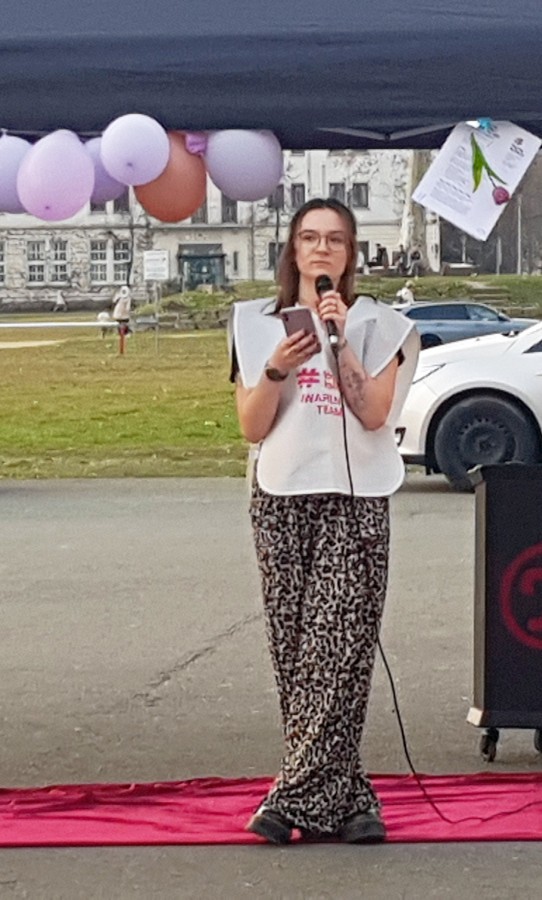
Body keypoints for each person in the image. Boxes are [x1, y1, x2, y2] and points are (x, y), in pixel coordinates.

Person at [228, 198, 419, 845]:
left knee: (337, 649)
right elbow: (252, 424)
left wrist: (341, 344)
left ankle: (289, 800)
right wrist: (278, 366)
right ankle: (348, 797)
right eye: (309, 238)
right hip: (281, 495)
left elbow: (374, 413)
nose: (321, 249)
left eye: (335, 239)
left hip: (355, 497)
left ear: (351, 253)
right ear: (292, 249)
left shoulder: (382, 325)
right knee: (296, 653)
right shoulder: (255, 324)